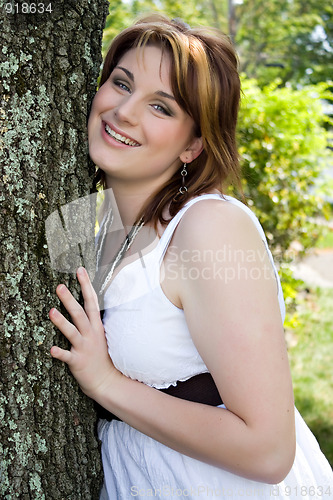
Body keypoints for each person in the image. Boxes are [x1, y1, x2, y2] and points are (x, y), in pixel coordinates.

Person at [49, 14, 333, 499]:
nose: (124, 112)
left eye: (161, 108)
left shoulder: (209, 229)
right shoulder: (86, 219)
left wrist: (107, 384)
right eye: (121, 83)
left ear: (194, 144)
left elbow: (268, 451)